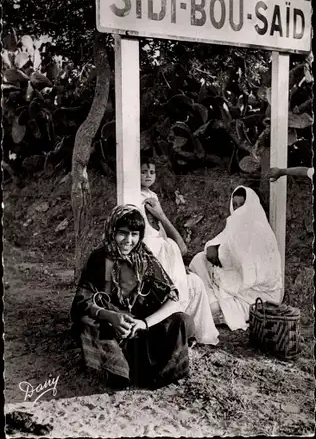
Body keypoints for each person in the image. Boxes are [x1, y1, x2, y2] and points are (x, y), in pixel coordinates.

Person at [71, 204, 189, 390]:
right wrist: (111, 316)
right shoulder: (99, 258)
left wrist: (144, 323)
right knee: (87, 322)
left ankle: (156, 374)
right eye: (123, 233)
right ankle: (116, 371)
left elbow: (173, 298)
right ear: (112, 231)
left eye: (135, 234)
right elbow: (82, 299)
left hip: (139, 328)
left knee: (180, 320)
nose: (128, 240)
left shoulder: (145, 259)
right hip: (110, 326)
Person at [140, 156, 219, 346]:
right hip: (152, 268)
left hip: (166, 259)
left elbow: (170, 242)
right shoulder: (136, 200)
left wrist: (178, 264)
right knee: (179, 288)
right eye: (143, 172)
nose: (148, 175)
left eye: (152, 172)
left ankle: (195, 333)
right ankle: (177, 332)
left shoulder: (153, 198)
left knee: (196, 283)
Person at [189, 186, 283, 332]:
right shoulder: (234, 225)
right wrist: (211, 248)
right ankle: (212, 302)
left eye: (242, 205)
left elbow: (250, 274)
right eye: (235, 205)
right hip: (231, 282)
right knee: (198, 259)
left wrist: (220, 256)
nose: (238, 209)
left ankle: (214, 306)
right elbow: (217, 244)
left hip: (253, 293)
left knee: (211, 308)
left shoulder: (260, 231)